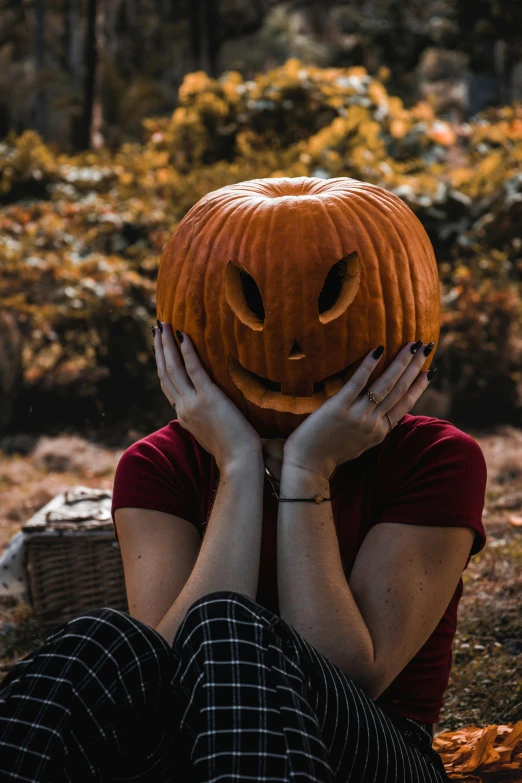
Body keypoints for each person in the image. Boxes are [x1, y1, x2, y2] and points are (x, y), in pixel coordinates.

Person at [0, 321, 486, 783]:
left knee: (225, 623)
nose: (290, 345)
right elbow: (160, 674)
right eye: (256, 307)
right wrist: (237, 467)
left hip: (367, 753)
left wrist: (308, 470)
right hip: (191, 751)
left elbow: (354, 674)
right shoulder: (155, 464)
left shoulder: (436, 456)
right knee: (99, 638)